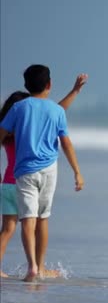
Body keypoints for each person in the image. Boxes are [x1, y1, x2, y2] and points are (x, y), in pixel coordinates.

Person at [0, 65, 85, 282]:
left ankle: (33, 268)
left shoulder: (18, 108)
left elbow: (1, 134)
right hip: (49, 171)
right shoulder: (56, 112)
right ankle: (41, 265)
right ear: (49, 85)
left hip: (24, 172)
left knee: (28, 220)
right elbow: (66, 142)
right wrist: (77, 171)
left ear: (27, 86)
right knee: (43, 219)